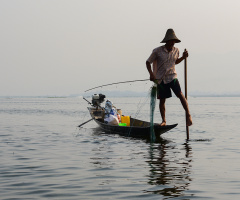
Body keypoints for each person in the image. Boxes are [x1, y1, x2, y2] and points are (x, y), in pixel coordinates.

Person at [146, 28, 192, 126]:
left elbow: (175, 62)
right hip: (161, 79)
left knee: (180, 95)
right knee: (162, 100)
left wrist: (183, 57)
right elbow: (148, 62)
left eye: (174, 41)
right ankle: (164, 121)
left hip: (172, 77)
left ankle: (188, 115)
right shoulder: (157, 51)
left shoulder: (176, 50)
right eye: (171, 41)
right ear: (167, 41)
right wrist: (151, 74)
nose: (173, 43)